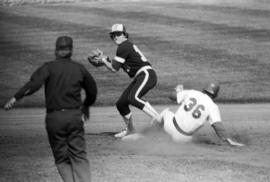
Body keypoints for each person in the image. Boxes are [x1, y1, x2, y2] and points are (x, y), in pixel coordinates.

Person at [4, 36, 97, 182]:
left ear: (56, 50)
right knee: (79, 156)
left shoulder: (48, 67)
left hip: (54, 119)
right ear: (71, 50)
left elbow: (33, 85)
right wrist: (86, 106)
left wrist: (16, 97)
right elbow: (92, 91)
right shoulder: (79, 68)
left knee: (61, 159)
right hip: (74, 116)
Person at [88, 23, 160, 138]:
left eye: (118, 34)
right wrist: (104, 60)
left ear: (124, 35)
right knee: (121, 103)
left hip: (146, 74)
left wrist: (103, 61)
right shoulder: (124, 47)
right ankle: (130, 130)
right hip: (140, 76)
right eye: (113, 35)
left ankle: (158, 119)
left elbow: (113, 69)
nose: (115, 37)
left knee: (133, 98)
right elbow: (115, 65)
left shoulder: (123, 46)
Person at [153, 83, 244, 146]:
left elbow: (172, 96)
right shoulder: (213, 106)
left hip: (169, 128)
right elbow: (218, 126)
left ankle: (150, 134)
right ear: (215, 95)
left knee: (166, 112)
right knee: (188, 135)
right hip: (183, 139)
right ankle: (169, 142)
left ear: (204, 89)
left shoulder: (193, 92)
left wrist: (177, 90)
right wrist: (229, 141)